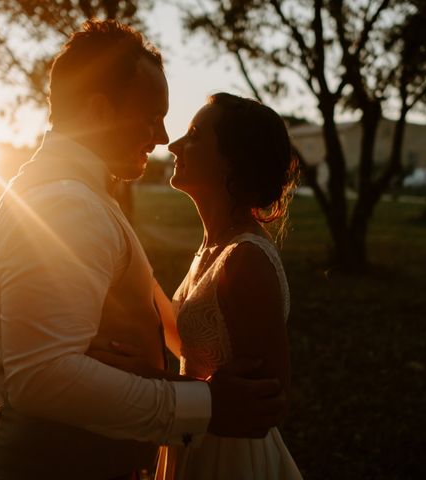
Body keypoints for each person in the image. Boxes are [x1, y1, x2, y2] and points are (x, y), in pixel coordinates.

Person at [0, 21, 285, 480]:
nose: (161, 137)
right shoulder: (66, 204)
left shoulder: (82, 194)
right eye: (151, 116)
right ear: (100, 111)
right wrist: (202, 404)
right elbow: (42, 377)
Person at [94, 93, 303, 479]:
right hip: (197, 437)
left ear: (232, 161)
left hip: (231, 458)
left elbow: (270, 403)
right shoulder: (214, 244)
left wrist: (152, 379)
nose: (173, 145)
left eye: (193, 135)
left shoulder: (246, 259)